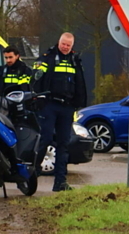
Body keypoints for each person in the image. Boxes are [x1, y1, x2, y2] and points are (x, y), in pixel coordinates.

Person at [33, 32, 88, 192]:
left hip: (67, 107)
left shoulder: (75, 60)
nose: (65, 47)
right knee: (46, 139)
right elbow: (36, 79)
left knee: (64, 145)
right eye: (63, 44)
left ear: (72, 46)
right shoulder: (47, 57)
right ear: (59, 42)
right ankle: (33, 173)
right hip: (49, 104)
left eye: (68, 45)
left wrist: (78, 104)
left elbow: (80, 83)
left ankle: (60, 183)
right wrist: (38, 99)